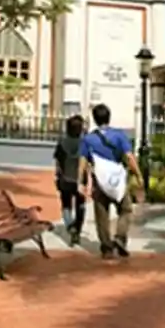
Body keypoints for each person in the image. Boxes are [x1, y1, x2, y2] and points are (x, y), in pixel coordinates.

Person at [78, 104, 144, 258]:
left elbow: (82, 161)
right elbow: (129, 157)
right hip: (117, 180)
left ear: (95, 119)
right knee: (126, 209)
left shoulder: (88, 139)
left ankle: (106, 248)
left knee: (102, 215)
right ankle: (120, 237)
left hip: (99, 181)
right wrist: (138, 175)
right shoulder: (119, 135)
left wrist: (80, 182)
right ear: (109, 117)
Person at [54, 114, 86, 244]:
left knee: (66, 204)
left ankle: (69, 225)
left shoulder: (62, 143)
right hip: (80, 180)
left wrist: (58, 175)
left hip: (65, 178)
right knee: (80, 205)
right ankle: (77, 229)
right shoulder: (84, 144)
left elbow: (58, 161)